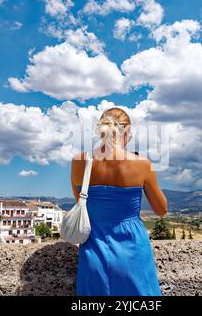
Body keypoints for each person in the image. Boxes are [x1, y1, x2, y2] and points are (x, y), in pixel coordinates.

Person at [70, 107, 168, 296]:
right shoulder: (141, 164)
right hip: (133, 249)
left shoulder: (79, 161)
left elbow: (82, 206)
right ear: (127, 132)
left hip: (94, 249)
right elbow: (161, 210)